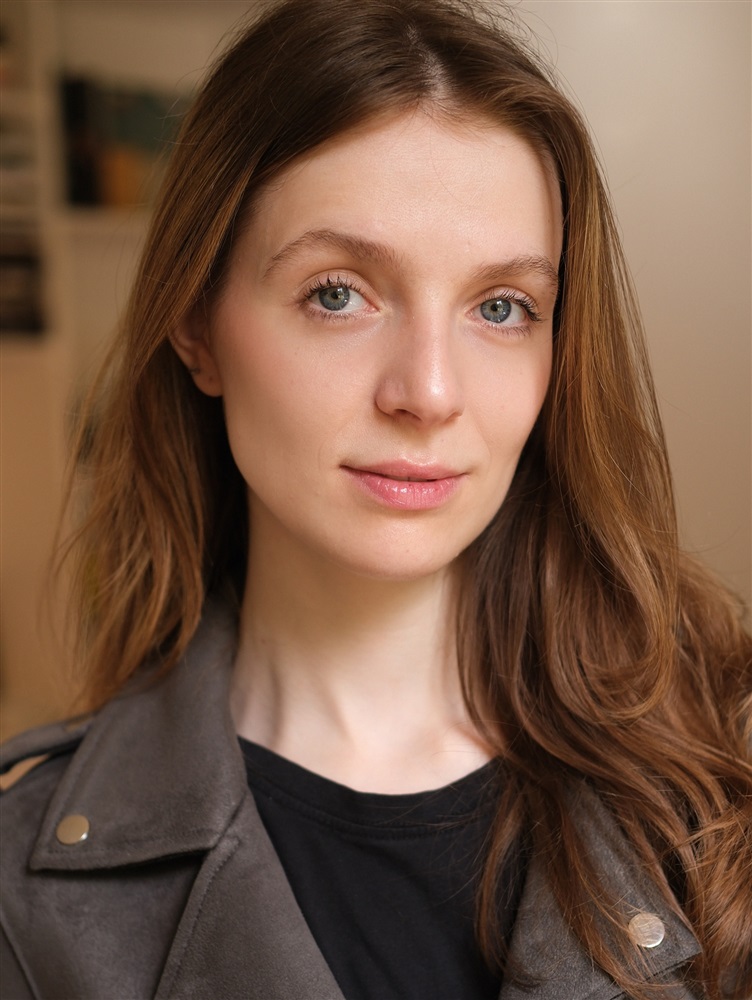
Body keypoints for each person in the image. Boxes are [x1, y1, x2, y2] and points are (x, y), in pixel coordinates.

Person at [1, 0, 750, 997]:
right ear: (196, 324)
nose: (428, 393)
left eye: (501, 307)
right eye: (338, 293)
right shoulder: (21, 890)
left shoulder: (718, 786)